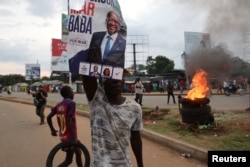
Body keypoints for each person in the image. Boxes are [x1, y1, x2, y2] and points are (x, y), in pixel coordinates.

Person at [82, 73, 144, 167]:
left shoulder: (135, 108)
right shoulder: (96, 100)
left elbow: (136, 139)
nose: (116, 80)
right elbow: (87, 71)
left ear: (123, 80)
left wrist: (140, 164)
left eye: (119, 76)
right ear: (102, 81)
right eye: (110, 77)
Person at [47, 85, 83, 167]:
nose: (73, 94)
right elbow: (69, 120)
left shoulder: (59, 105)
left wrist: (52, 130)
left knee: (78, 152)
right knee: (68, 160)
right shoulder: (71, 103)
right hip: (70, 136)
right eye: (72, 92)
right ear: (69, 93)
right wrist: (73, 137)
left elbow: (48, 117)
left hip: (63, 135)